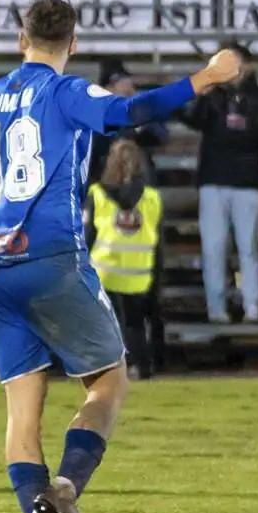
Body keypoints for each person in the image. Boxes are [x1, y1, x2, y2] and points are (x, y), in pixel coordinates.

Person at [0, 0, 241, 513]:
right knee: (109, 382)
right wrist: (207, 78)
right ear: (73, 43)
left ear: (21, 40)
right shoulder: (65, 92)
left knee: (23, 409)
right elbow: (129, 111)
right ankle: (64, 491)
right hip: (51, 259)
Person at [183, 43, 258, 323]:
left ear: (248, 65)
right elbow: (192, 119)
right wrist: (207, 87)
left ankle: (252, 306)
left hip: (248, 181)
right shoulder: (213, 96)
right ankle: (217, 308)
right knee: (213, 248)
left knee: (248, 248)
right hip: (213, 179)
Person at [85, 139, 163, 380]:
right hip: (139, 270)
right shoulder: (151, 197)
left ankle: (108, 369)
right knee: (135, 323)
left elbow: (88, 235)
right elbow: (158, 236)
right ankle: (141, 366)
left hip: (106, 268)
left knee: (106, 323)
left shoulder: (97, 194)